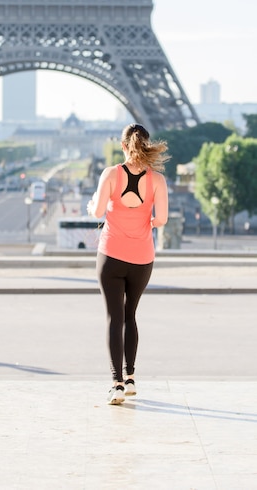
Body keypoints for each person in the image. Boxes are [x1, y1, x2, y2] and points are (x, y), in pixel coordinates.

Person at [87, 123, 169, 405]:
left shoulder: (111, 174)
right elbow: (162, 220)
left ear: (123, 146)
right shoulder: (157, 180)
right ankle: (131, 377)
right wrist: (145, 220)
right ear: (146, 145)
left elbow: (97, 211)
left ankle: (117, 383)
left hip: (111, 256)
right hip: (142, 257)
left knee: (114, 318)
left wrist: (92, 207)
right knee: (130, 316)